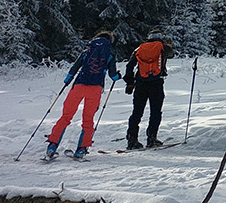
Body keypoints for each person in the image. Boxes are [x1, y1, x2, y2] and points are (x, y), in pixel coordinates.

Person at [46, 30, 121, 159]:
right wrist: (118, 76)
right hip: (95, 89)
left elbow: (74, 68)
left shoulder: (87, 52)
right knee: (88, 119)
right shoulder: (109, 54)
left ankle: (52, 145)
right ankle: (81, 149)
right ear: (110, 42)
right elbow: (113, 76)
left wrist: (67, 81)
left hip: (79, 86)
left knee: (66, 116)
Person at [125, 27, 175, 149]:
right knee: (155, 111)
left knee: (137, 112)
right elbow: (172, 55)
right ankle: (152, 138)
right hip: (156, 82)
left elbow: (130, 65)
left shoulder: (139, 49)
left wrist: (130, 82)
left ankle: (132, 140)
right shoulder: (163, 47)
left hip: (140, 83)